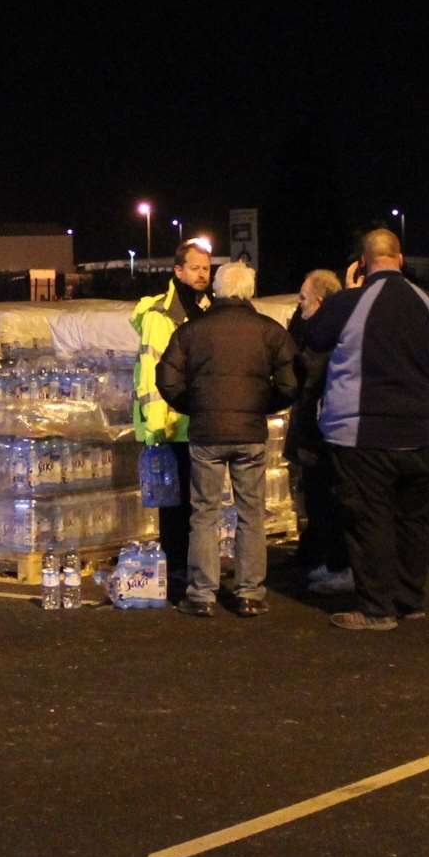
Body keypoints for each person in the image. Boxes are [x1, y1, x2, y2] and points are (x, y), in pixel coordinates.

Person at [304, 229, 429, 630]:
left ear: (362, 264)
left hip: (362, 434)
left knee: (370, 520)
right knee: (413, 521)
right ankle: (409, 599)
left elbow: (314, 337)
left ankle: (376, 608)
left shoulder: (351, 302)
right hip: (420, 433)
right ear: (400, 259)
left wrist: (348, 291)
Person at [156, 261, 297, 617]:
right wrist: (263, 404)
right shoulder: (269, 331)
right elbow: (291, 382)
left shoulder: (192, 331)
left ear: (217, 290)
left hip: (206, 433)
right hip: (250, 432)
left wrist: (195, 406)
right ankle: (250, 592)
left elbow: (167, 378)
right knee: (251, 513)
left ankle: (201, 594)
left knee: (204, 513)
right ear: (249, 290)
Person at [129, 238, 212, 591]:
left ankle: (192, 566)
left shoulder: (207, 309)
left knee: (199, 503)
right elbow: (151, 372)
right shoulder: (160, 314)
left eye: (206, 268)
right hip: (171, 425)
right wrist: (155, 424)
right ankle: (177, 569)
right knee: (174, 506)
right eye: (195, 268)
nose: (202, 274)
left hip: (199, 423)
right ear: (178, 271)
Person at [283, 268, 352, 594]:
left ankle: (338, 563)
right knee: (316, 500)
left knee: (327, 500)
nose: (299, 306)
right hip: (315, 430)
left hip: (322, 433)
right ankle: (325, 557)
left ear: (320, 301)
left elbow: (308, 379)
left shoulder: (326, 338)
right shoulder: (320, 330)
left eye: (303, 300)